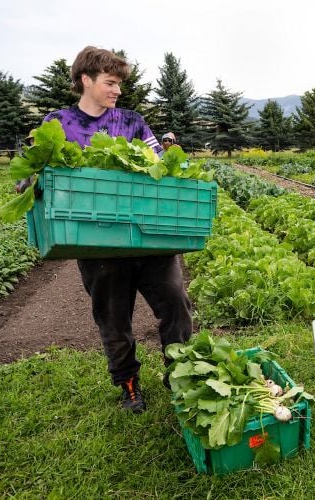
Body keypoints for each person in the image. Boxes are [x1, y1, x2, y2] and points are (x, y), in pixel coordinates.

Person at [44, 46, 193, 412]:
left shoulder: (132, 122)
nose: (117, 91)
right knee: (113, 318)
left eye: (119, 84)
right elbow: (34, 170)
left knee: (175, 303)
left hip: (149, 237)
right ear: (86, 80)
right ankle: (128, 384)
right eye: (110, 83)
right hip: (99, 243)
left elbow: (162, 163)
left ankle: (181, 375)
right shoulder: (57, 124)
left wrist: (177, 171)